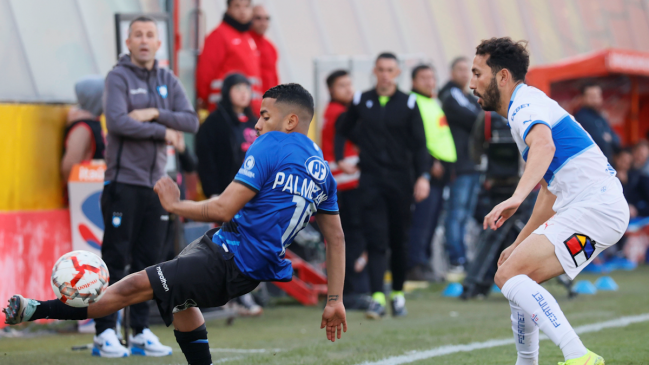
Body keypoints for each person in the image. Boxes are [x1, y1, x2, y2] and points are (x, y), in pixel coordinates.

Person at [3, 83, 348, 365]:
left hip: (229, 258)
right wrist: (334, 298)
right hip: (239, 261)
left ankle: (34, 309)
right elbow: (336, 240)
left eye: (264, 115)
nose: (256, 125)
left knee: (128, 289)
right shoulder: (322, 171)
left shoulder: (271, 144)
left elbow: (223, 208)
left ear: (289, 122)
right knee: (180, 302)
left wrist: (175, 203)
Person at [471, 37, 628, 365]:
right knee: (515, 274)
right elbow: (550, 189)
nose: (471, 83)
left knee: (508, 277)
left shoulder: (523, 106)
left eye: (477, 73)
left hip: (595, 208)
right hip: (601, 210)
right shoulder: (529, 104)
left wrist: (515, 197)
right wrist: (520, 241)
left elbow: (544, 148)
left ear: (502, 76)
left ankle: (578, 356)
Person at [95, 16, 199, 357]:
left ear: (158, 43)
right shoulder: (118, 76)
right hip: (123, 181)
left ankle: (140, 331)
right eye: (137, 34)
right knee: (115, 258)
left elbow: (190, 120)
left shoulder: (167, 78)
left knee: (149, 262)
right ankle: (104, 332)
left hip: (157, 186)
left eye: (150, 35)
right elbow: (118, 121)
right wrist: (162, 130)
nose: (143, 40)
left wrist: (154, 113)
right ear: (128, 43)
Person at [338, 52, 430, 319]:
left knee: (398, 239)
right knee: (375, 239)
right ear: (374, 72)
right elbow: (342, 128)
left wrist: (423, 176)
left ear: (397, 73)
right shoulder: (361, 100)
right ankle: (378, 296)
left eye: (390, 69)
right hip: (371, 180)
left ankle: (398, 294)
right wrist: (342, 158)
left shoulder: (409, 103)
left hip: (401, 181)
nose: (385, 74)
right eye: (381, 69)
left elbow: (420, 144)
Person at [321, 70, 367, 308]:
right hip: (348, 184)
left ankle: (347, 289)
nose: (349, 89)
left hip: (338, 184)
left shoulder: (330, 112)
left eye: (350, 84)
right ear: (331, 89)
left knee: (342, 237)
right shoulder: (341, 114)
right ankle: (351, 290)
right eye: (342, 85)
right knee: (353, 237)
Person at [407, 64, 457, 281]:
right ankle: (415, 264)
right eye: (424, 78)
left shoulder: (432, 102)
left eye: (432, 77)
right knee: (422, 218)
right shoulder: (413, 102)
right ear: (413, 82)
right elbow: (416, 137)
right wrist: (430, 162)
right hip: (428, 170)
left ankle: (424, 262)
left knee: (432, 218)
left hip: (442, 170)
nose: (429, 82)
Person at [439, 57, 482, 276]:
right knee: (456, 214)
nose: (466, 74)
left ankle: (463, 258)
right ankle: (456, 259)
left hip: (472, 164)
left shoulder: (466, 96)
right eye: (461, 69)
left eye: (469, 70)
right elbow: (477, 119)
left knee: (464, 215)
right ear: (452, 72)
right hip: (459, 165)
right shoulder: (450, 95)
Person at [196, 73, 258, 198]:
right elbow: (206, 159)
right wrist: (212, 191)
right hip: (225, 191)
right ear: (226, 91)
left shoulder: (255, 121)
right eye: (238, 89)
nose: (244, 93)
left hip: (253, 190)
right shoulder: (214, 122)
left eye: (247, 89)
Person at [196, 0, 262, 112]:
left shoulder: (247, 37)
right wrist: (205, 101)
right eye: (237, 6)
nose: (242, 11)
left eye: (246, 6)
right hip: (226, 111)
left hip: (249, 111)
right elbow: (205, 74)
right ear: (228, 9)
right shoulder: (218, 36)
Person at [61, 75, 106, 183]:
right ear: (95, 98)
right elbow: (69, 168)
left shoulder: (93, 121)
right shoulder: (82, 128)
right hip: (86, 194)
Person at [573, 83, 620, 165]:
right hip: (593, 165)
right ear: (582, 98)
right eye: (592, 97)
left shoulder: (600, 116)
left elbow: (617, 140)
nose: (596, 100)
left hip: (606, 164)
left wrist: (610, 139)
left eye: (598, 96)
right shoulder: (582, 117)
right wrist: (608, 139)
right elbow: (601, 142)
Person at [250, 4, 279, 94]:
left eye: (266, 19)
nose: (263, 22)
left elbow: (274, 77)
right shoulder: (243, 42)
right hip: (248, 99)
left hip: (267, 101)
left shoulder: (271, 47)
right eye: (258, 18)